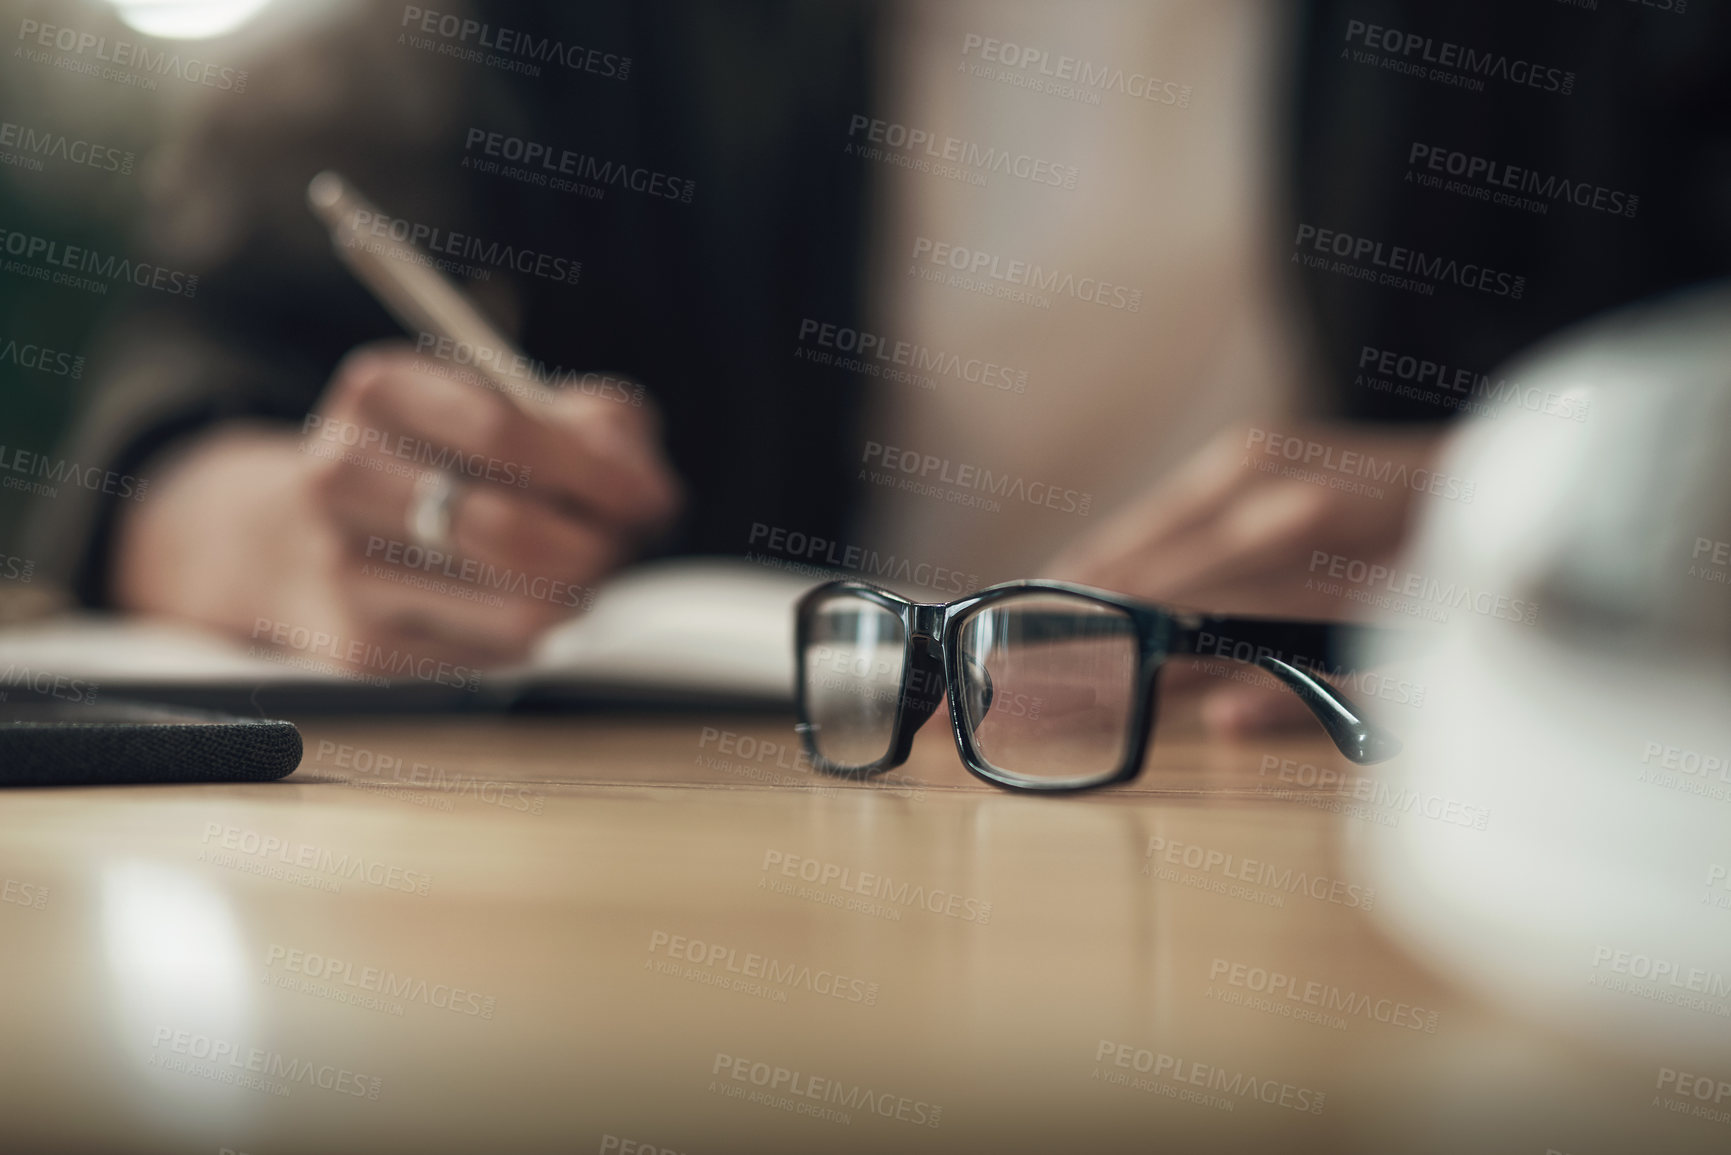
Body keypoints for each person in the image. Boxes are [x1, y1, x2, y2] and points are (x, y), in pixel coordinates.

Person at [24, 0, 1731, 731]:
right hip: (752, 827)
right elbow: (191, 380)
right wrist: (280, 527)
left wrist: (1586, 492)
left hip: (1393, 817)